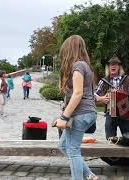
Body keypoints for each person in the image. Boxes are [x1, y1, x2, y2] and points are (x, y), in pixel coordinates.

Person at [53, 35, 97, 180]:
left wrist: (64, 117)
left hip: (81, 114)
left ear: (69, 49)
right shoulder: (85, 66)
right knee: (63, 146)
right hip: (87, 113)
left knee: (72, 150)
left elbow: (78, 93)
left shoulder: (77, 66)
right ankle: (90, 176)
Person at [95, 56, 129, 140]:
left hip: (125, 113)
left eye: (116, 65)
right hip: (110, 114)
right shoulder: (104, 81)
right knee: (110, 140)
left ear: (119, 67)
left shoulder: (126, 79)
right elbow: (93, 94)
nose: (113, 66)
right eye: (111, 65)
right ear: (108, 67)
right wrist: (100, 98)